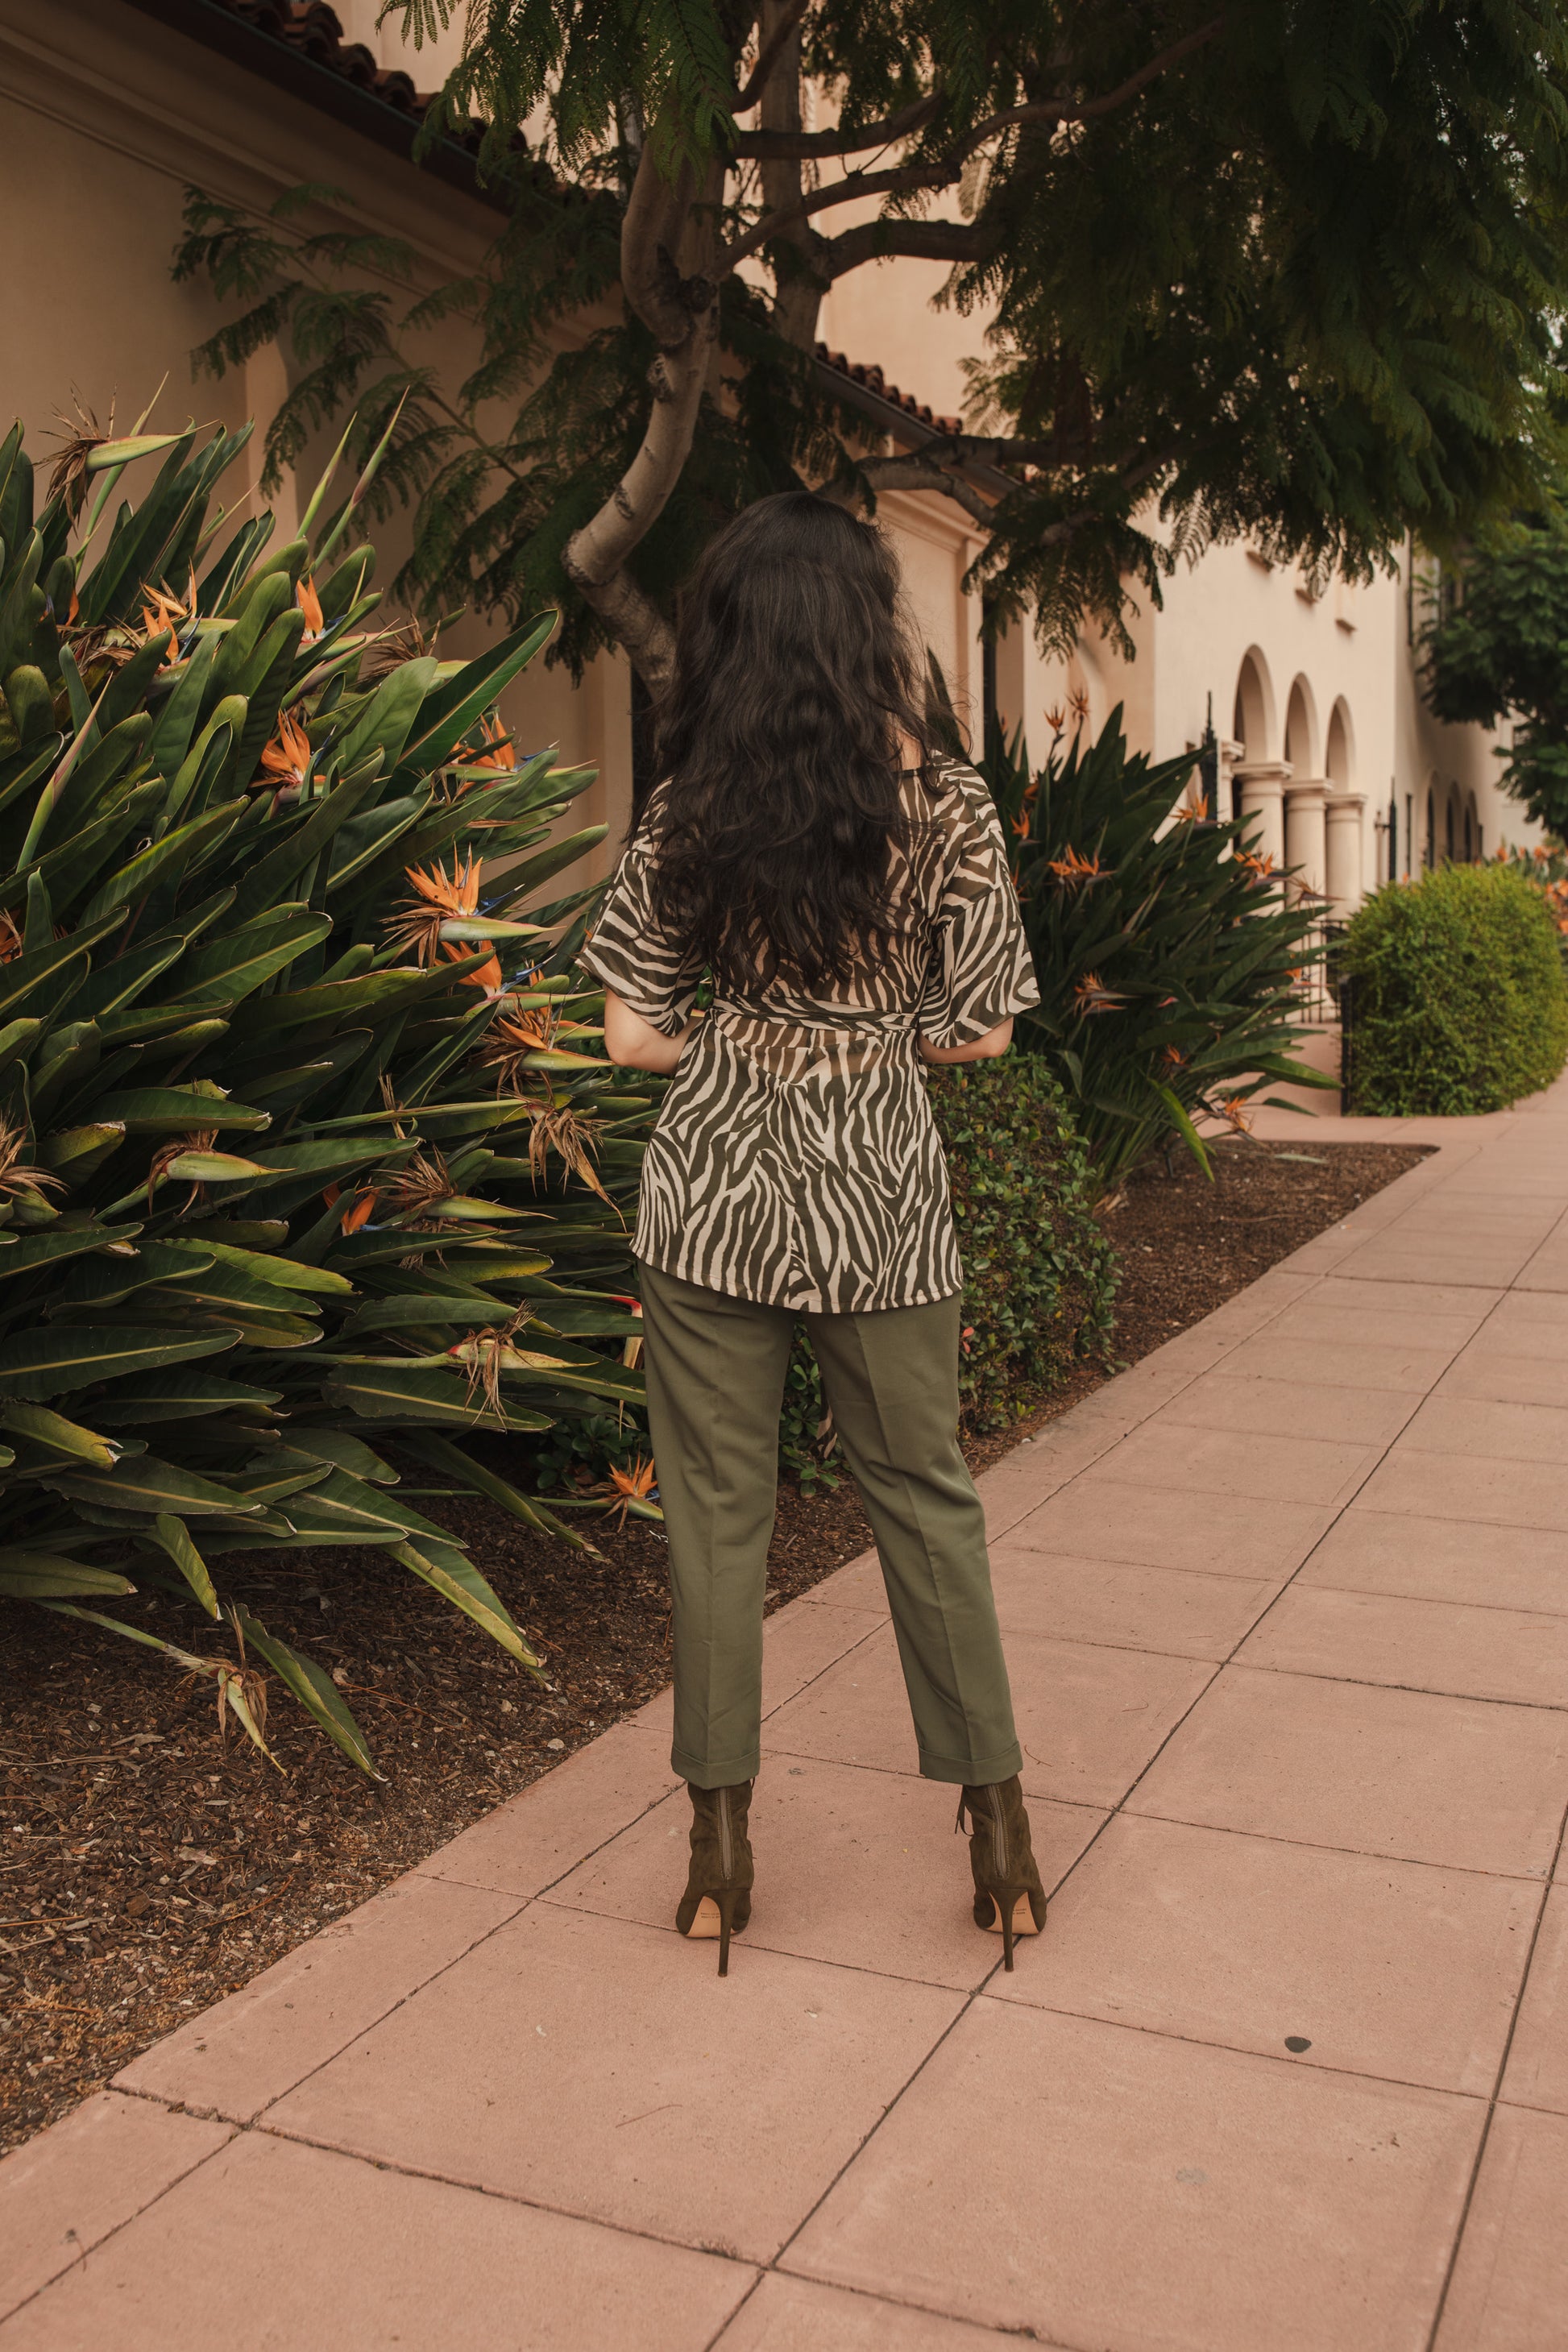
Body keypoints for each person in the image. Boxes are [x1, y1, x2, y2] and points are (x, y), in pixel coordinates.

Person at [575, 491, 1047, 1977]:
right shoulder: (950, 809)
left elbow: (628, 1037)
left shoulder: (686, 809)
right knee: (923, 1492)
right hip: (880, 1191)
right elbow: (980, 1036)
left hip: (709, 1185)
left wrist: (744, 1034)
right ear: (863, 629)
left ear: (732, 634)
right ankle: (1000, 1831)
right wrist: (875, 1031)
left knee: (717, 1514)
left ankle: (718, 1846)